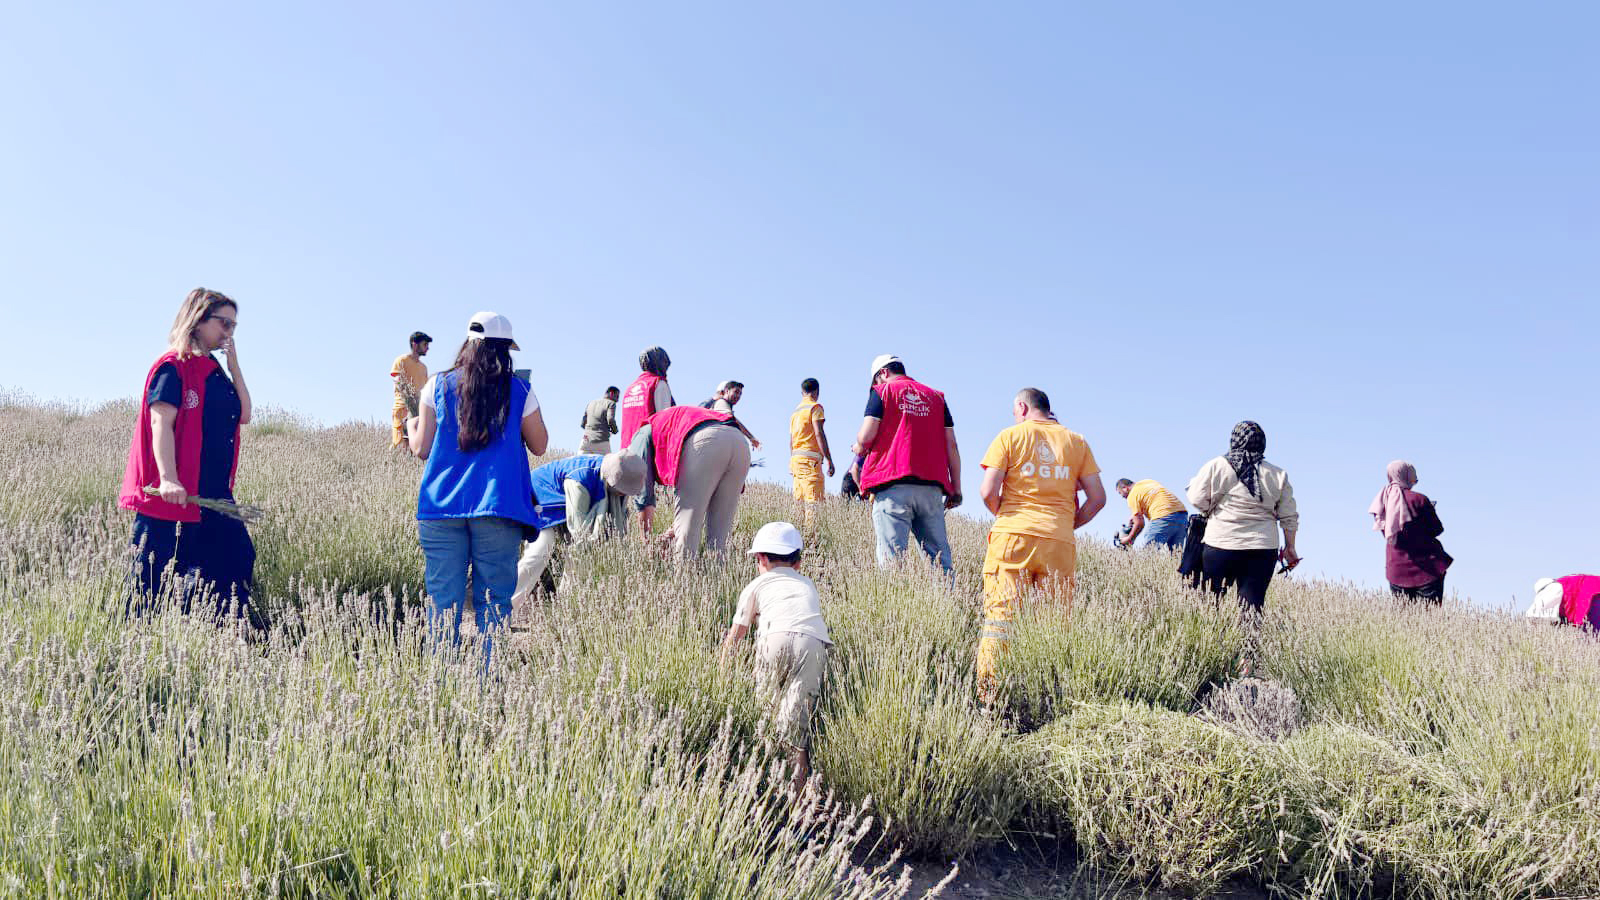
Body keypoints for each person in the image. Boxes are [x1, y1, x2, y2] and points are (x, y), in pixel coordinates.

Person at [407, 312, 548, 660]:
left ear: (468, 344)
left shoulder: (436, 385)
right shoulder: (519, 390)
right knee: (494, 605)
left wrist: (411, 427)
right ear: (506, 351)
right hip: (497, 507)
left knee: (443, 605)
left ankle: (441, 693)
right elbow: (540, 444)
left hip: (440, 508)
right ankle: (489, 687)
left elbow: (422, 448)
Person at [120, 287, 256, 622]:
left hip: (212, 492)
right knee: (150, 578)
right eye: (224, 324)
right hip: (173, 493)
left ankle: (220, 638)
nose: (228, 333)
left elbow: (246, 413)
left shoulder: (213, 370)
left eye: (234, 327)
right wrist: (167, 478)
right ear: (198, 320)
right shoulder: (173, 366)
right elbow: (160, 422)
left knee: (235, 559)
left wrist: (234, 363)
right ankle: (137, 646)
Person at [975, 388, 1104, 697]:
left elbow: (987, 491)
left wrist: (1006, 515)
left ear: (1021, 407)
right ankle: (1047, 695)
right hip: (1058, 542)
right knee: (1053, 625)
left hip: (1012, 537)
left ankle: (989, 698)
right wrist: (1065, 524)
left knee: (1000, 621)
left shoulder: (1009, 436)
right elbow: (1097, 499)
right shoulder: (1076, 442)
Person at [720, 521, 833, 793]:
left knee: (766, 717)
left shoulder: (756, 585)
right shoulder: (807, 584)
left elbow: (735, 637)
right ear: (798, 563)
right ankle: (798, 809)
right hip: (813, 642)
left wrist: (722, 674)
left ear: (760, 559)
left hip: (774, 638)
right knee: (797, 732)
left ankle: (762, 792)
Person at [852, 355, 961, 573]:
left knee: (892, 562)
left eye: (876, 380)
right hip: (931, 488)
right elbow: (952, 445)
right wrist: (956, 488)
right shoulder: (936, 397)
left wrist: (858, 447)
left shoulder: (882, 393)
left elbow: (865, 438)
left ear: (883, 373)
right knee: (939, 562)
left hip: (892, 484)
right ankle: (945, 604)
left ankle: (894, 605)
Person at [609, 404, 751, 559]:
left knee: (687, 537)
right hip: (739, 441)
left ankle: (685, 577)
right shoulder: (662, 423)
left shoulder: (638, 441)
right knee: (720, 533)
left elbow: (644, 497)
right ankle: (716, 575)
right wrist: (670, 532)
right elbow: (702, 504)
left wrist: (647, 543)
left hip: (704, 439)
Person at [1186, 421, 1300, 613]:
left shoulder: (1216, 465)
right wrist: (1290, 547)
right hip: (1262, 547)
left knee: (1213, 605)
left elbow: (1196, 498)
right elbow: (1289, 516)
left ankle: (1213, 642)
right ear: (1262, 442)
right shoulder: (1278, 474)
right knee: (1252, 607)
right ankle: (1249, 643)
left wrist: (1212, 508)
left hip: (1220, 542)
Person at [512, 452, 644, 604]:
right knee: (541, 550)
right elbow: (578, 530)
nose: (623, 494)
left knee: (579, 555)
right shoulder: (580, 479)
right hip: (539, 499)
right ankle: (504, 608)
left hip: (562, 506)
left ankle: (567, 605)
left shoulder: (614, 479)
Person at [1368, 460, 1452, 603]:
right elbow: (1437, 529)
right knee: (1429, 619)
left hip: (1396, 569)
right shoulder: (1419, 499)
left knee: (1404, 620)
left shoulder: (1382, 501)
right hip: (1428, 568)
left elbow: (1386, 532)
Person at [789, 378, 835, 527]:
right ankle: (811, 541)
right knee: (813, 502)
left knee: (799, 501)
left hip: (796, 459)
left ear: (802, 392)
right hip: (811, 461)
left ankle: (797, 537)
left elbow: (791, 440)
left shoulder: (795, 412)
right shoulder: (815, 408)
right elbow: (818, 433)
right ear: (816, 392)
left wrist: (792, 461)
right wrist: (829, 459)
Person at [618, 346, 674, 449]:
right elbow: (664, 421)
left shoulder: (630, 388)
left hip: (626, 451)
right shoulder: (658, 383)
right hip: (647, 451)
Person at [1115, 478, 1188, 551]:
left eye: (1120, 493)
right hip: (1182, 514)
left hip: (1162, 516)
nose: (1122, 496)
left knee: (1149, 553)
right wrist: (1135, 516)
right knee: (1176, 554)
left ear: (1125, 488)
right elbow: (1154, 497)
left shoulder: (1132, 495)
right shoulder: (1147, 482)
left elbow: (1140, 524)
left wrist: (1129, 539)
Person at [389, 331, 431, 450]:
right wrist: (409, 398)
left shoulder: (423, 368)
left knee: (414, 446)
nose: (427, 348)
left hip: (418, 410)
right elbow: (398, 381)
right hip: (402, 408)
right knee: (400, 444)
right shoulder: (401, 360)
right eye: (425, 344)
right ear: (415, 345)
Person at [1526, 575, 1600, 629]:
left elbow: (1531, 615)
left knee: (1592, 635)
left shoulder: (1552, 589)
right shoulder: (1562, 582)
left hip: (1592, 597)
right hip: (1593, 592)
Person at [704, 380, 761, 449]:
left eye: (740, 394)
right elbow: (732, 418)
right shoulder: (720, 402)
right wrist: (751, 438)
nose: (738, 396)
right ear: (725, 392)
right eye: (736, 392)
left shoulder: (718, 406)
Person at [580, 386, 620, 454]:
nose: (618, 400)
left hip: (586, 440)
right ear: (611, 393)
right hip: (602, 441)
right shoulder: (611, 403)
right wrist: (615, 430)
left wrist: (590, 431)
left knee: (580, 462)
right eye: (617, 396)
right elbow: (610, 419)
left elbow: (583, 423)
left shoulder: (591, 403)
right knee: (607, 463)